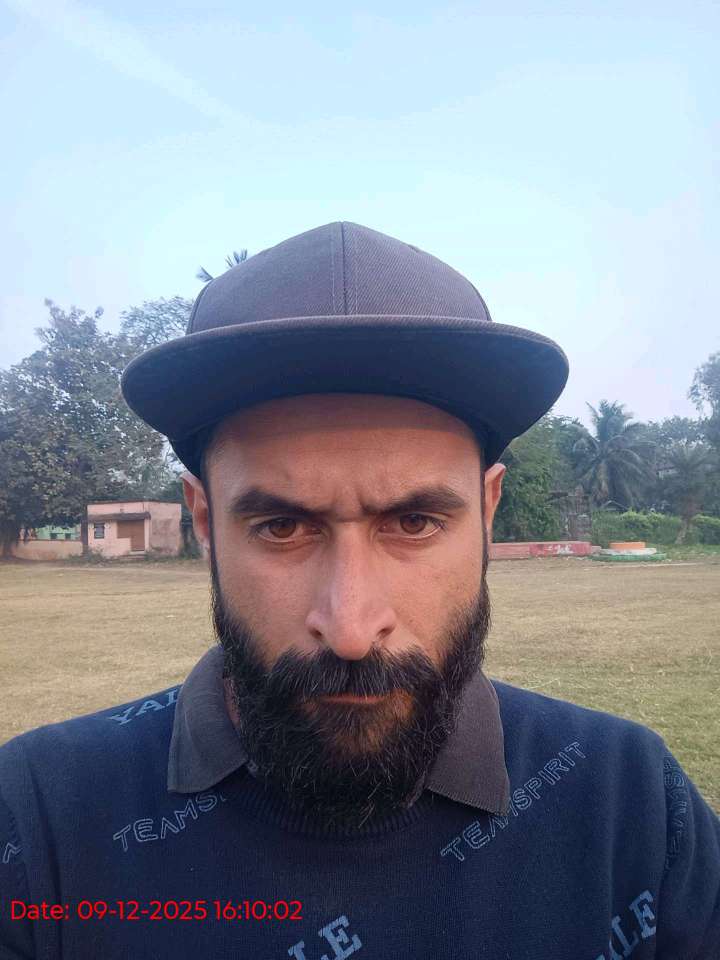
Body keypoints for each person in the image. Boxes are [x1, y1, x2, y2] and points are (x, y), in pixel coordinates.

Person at [1, 222, 718, 959]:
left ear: (488, 510)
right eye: (283, 527)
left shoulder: (632, 805)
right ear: (205, 521)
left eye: (414, 522)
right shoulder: (40, 816)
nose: (349, 628)